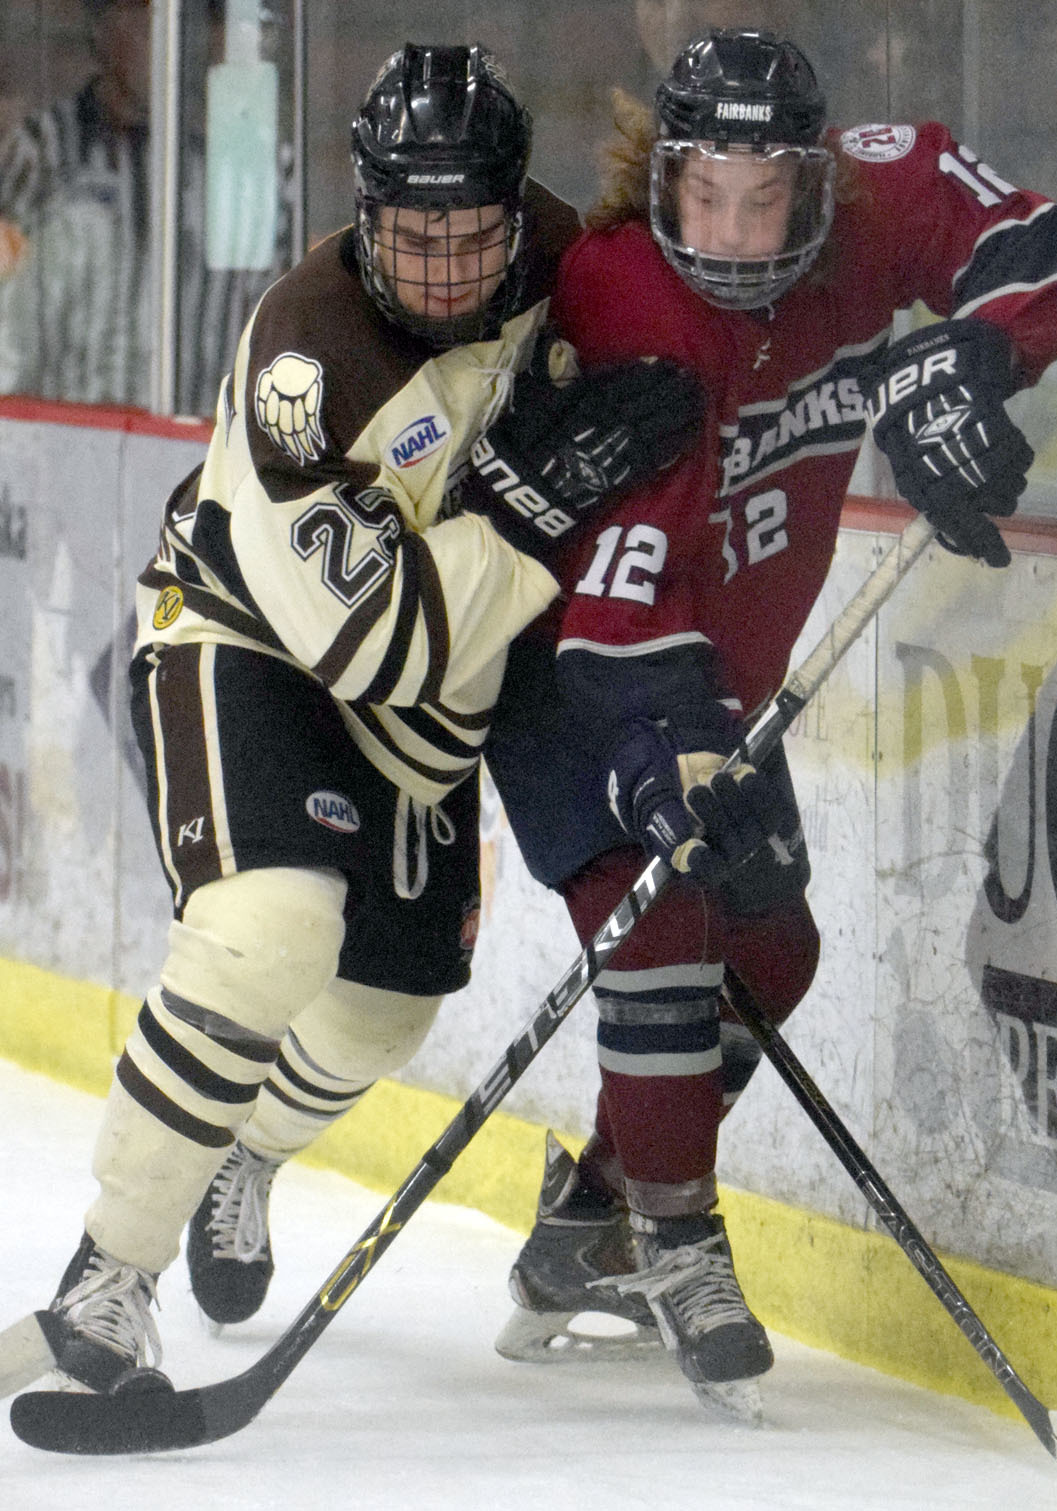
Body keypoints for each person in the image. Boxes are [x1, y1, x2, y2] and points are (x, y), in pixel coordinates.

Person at [0, 40, 702, 1397]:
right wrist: (536, 502)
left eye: (470, 231)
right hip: (252, 642)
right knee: (271, 926)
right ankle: (106, 1277)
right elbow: (365, 639)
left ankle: (245, 1153)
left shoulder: (565, 262)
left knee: (385, 1011)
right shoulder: (307, 354)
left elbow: (697, 333)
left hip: (431, 697)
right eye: (410, 231)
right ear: (365, 210)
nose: (442, 264)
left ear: (514, 208)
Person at [483, 28, 1057, 1422]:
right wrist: (667, 746)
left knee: (776, 944)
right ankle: (684, 1240)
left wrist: (970, 364)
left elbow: (1034, 234)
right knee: (672, 919)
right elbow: (625, 583)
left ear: (813, 184)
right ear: (665, 182)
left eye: (770, 199)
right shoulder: (624, 291)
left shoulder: (865, 209)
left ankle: (591, 1220)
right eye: (711, 197)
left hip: (718, 683)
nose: (742, 233)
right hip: (571, 665)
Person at [0, 0, 275, 412]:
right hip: (63, 434)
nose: (159, 29)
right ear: (101, 26)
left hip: (194, 435)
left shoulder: (233, 160)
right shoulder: (41, 148)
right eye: (140, 11)